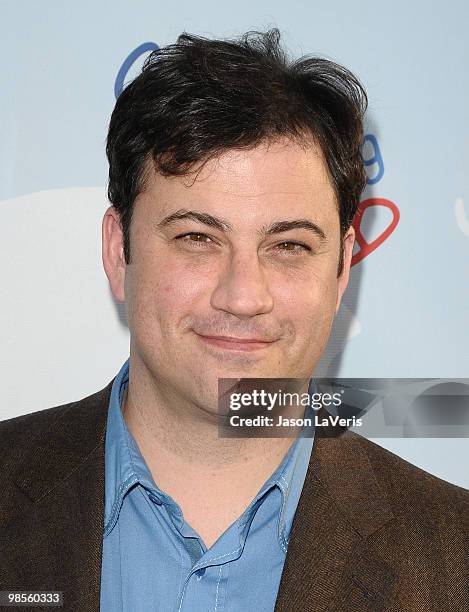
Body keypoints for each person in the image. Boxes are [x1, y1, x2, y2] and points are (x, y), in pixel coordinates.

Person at [1, 28, 468, 612]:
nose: (244, 297)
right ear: (118, 251)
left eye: (290, 246)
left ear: (344, 266)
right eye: (197, 238)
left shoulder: (456, 558)